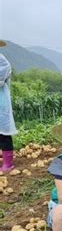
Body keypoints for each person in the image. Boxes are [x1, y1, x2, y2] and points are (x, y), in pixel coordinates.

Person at [0, 40, 17, 173]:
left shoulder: (2, 60)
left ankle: (8, 163)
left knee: (3, 133)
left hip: (1, 102)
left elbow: (3, 74)